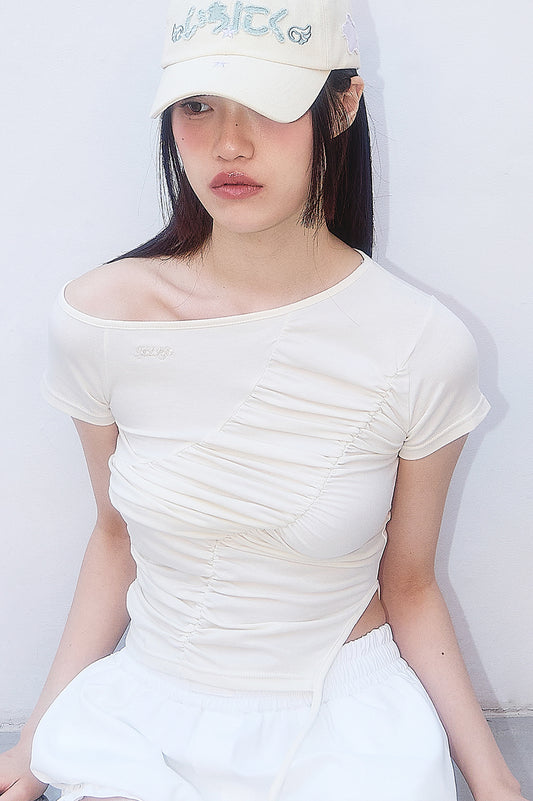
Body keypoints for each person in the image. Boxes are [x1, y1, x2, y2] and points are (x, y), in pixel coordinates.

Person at [0, 1, 528, 800]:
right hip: (145, 727)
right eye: (197, 106)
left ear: (340, 107)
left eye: (269, 104)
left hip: (345, 733)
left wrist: (493, 780)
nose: (229, 144)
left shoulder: (420, 344)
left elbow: (410, 583)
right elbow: (114, 536)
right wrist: (34, 743)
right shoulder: (101, 319)